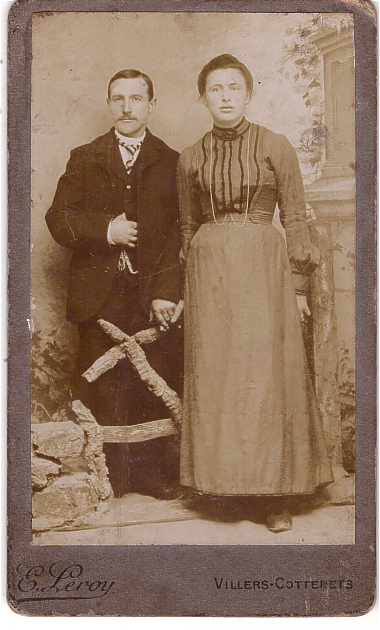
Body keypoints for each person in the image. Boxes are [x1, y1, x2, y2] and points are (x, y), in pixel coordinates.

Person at [177, 54, 333, 532]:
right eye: (215, 89)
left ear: (247, 93)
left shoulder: (276, 146)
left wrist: (301, 284)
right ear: (203, 97)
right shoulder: (191, 157)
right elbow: (187, 228)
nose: (224, 97)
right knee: (218, 374)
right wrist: (189, 285)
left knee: (267, 375)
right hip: (209, 272)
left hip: (265, 269)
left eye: (233, 88)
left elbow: (296, 218)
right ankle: (222, 489)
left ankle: (275, 495)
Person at [46, 69, 184, 498]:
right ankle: (110, 474)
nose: (127, 107)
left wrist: (168, 290)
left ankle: (153, 473)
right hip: (98, 293)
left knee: (151, 380)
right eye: (119, 98)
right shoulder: (84, 156)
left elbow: (182, 229)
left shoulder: (172, 160)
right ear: (109, 104)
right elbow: (58, 218)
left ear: (151, 105)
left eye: (137, 98)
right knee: (105, 384)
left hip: (150, 293)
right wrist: (108, 230)